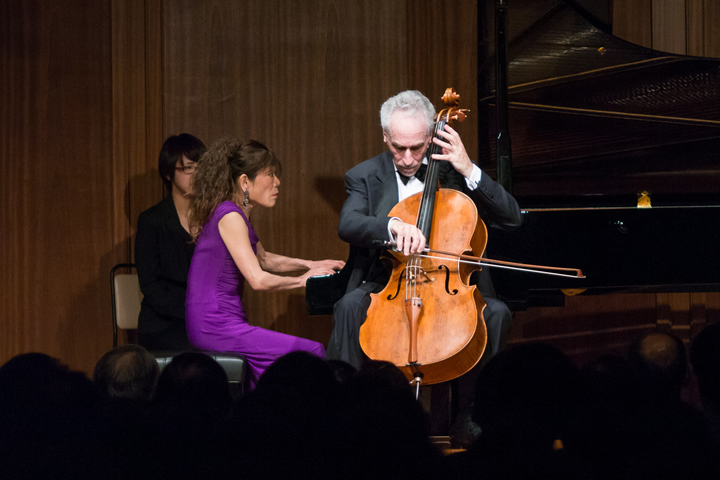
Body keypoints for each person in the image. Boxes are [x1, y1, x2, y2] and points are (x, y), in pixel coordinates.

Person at [327, 90, 522, 378]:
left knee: (496, 314)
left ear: (431, 135)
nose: (407, 159)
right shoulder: (364, 175)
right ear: (384, 136)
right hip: (387, 282)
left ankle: (477, 412)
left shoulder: (456, 172)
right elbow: (349, 224)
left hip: (449, 283)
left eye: (417, 148)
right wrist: (392, 225)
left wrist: (468, 168)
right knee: (348, 307)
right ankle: (351, 404)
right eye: (398, 148)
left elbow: (512, 218)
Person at [185, 138, 344, 388]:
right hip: (214, 324)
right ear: (245, 182)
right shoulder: (230, 215)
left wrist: (311, 264)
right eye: (270, 174)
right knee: (313, 352)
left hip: (221, 320)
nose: (277, 181)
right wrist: (305, 280)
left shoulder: (236, 213)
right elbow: (258, 280)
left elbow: (264, 259)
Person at [135, 133, 207, 350]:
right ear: (168, 174)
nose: (197, 175)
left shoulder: (214, 218)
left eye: (200, 167)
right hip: (164, 322)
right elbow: (150, 284)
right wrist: (189, 311)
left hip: (205, 316)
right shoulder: (151, 220)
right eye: (187, 168)